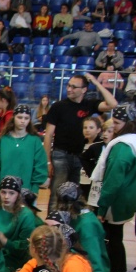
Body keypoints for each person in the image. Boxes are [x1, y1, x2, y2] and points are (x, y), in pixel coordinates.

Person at [90, 104, 136, 272]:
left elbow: (113, 182)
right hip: (129, 199)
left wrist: (102, 207)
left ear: (128, 124)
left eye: (117, 123)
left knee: (111, 241)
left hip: (116, 200)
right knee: (116, 239)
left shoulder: (122, 147)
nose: (114, 126)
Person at [42, 72, 116, 211]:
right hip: (60, 155)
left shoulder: (89, 104)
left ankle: (71, 222)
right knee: (57, 194)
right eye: (68, 86)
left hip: (80, 156)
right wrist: (47, 161)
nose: (69, 89)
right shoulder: (58, 106)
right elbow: (48, 135)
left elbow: (112, 104)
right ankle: (53, 222)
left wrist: (96, 82)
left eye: (74, 87)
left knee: (75, 195)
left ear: (84, 89)